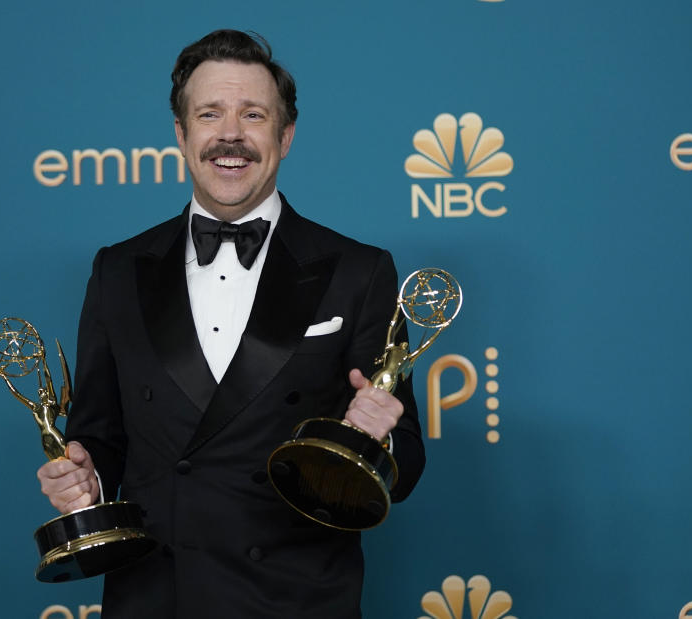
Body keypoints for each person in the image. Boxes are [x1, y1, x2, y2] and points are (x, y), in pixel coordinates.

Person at [37, 29, 425, 619]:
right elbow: (101, 436)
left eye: (253, 114)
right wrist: (85, 482)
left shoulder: (360, 271)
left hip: (296, 600)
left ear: (285, 136)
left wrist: (378, 442)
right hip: (158, 596)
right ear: (181, 134)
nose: (231, 136)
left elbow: (408, 463)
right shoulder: (118, 270)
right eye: (209, 113)